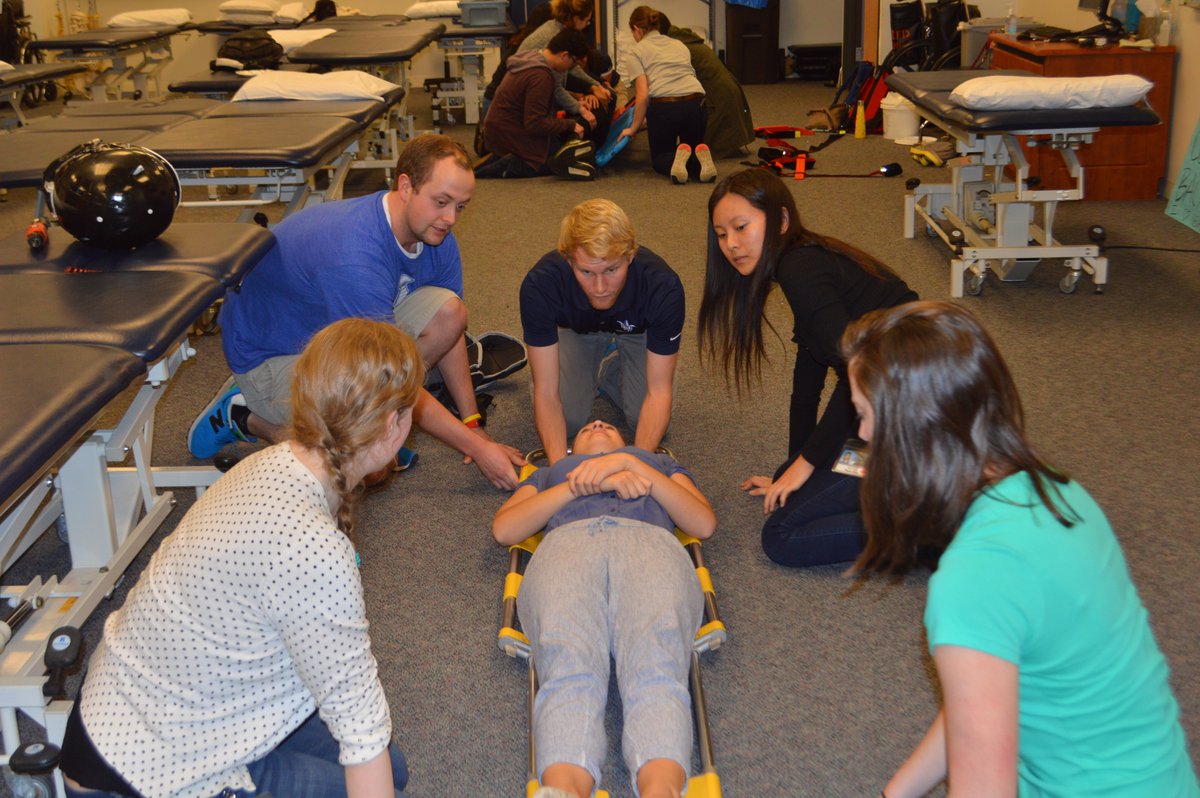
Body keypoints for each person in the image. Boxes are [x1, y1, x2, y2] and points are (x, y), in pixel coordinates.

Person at [841, 301, 1200, 798]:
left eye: (864, 414)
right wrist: (895, 793)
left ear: (914, 431)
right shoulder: (1058, 493)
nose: (861, 434)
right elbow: (982, 697)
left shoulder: (974, 579)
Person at [60, 318, 421, 798]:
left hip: (137, 708)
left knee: (391, 770)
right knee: (379, 777)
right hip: (145, 771)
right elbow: (360, 729)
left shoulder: (274, 462)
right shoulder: (313, 549)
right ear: (394, 426)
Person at [191, 134, 524, 489]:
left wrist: (473, 425)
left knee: (449, 313)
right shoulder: (355, 257)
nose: (450, 217)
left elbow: (451, 331)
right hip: (269, 359)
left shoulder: (434, 234)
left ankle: (376, 418)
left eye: (461, 206)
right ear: (406, 187)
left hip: (328, 334)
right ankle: (245, 413)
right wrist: (476, 448)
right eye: (441, 202)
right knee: (364, 466)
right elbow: (383, 376)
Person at [697, 168, 916, 567]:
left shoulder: (800, 268)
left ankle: (920, 531)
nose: (731, 244)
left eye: (741, 227)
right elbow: (808, 380)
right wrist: (793, 465)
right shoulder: (800, 262)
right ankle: (896, 487)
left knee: (780, 536)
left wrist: (805, 465)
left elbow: (857, 374)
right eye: (722, 234)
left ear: (781, 220)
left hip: (909, 420)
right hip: (885, 407)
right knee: (796, 483)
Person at [492, 420, 716, 798]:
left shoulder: (657, 463)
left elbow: (703, 522)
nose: (597, 423)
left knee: (656, 659)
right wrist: (584, 483)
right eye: (586, 428)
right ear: (570, 452)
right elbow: (505, 529)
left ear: (629, 443)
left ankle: (660, 789)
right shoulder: (549, 473)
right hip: (568, 547)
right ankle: (564, 788)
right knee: (568, 660)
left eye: (608, 425)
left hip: (649, 546)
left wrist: (633, 466)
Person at [520, 198, 684, 464]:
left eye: (611, 270)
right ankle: (596, 367)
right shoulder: (541, 285)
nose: (599, 288)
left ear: (630, 256)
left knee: (644, 421)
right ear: (568, 261)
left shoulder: (663, 287)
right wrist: (559, 469)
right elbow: (546, 391)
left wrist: (638, 466)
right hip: (576, 329)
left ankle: (610, 370)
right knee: (568, 420)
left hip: (637, 330)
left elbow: (659, 391)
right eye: (586, 271)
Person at [477, 28, 595, 180]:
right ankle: (508, 164)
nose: (570, 68)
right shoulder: (540, 76)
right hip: (509, 134)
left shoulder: (533, 57)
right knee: (558, 162)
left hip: (500, 130)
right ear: (564, 55)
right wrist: (570, 125)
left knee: (560, 148)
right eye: (573, 63)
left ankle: (502, 159)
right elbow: (534, 123)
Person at [618, 6, 716, 185]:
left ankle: (676, 160)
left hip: (665, 108)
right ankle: (699, 163)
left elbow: (642, 95)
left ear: (637, 29)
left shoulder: (636, 52)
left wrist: (633, 129)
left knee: (660, 158)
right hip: (696, 104)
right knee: (692, 149)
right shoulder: (679, 45)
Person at [516, 0, 615, 149]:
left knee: (599, 103)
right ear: (576, 19)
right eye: (587, 21)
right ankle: (584, 150)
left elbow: (572, 67)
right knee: (590, 114)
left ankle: (585, 149)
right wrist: (580, 107)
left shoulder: (557, 29)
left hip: (530, 102)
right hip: (523, 109)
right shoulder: (555, 35)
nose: (586, 25)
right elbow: (556, 88)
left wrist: (595, 85)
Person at [666, 24, 753, 157]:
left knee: (699, 152)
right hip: (726, 91)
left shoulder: (680, 48)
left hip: (718, 97)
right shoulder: (690, 42)